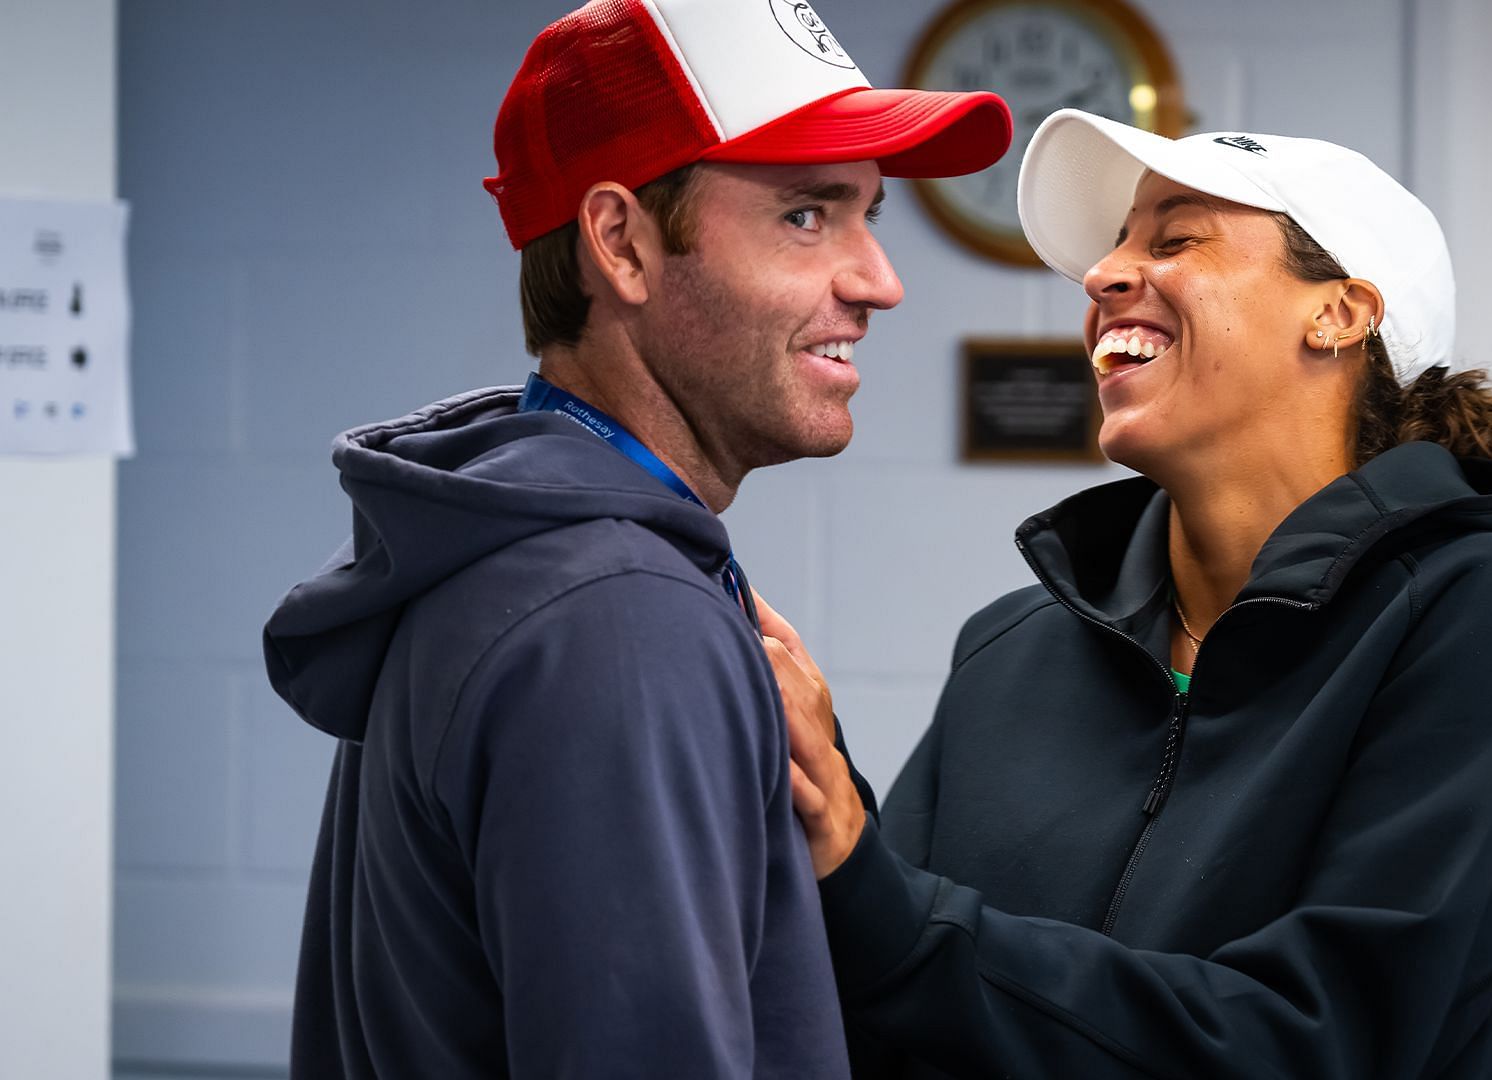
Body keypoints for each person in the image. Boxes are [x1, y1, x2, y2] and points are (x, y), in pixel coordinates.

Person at [762, 110, 1492, 1078]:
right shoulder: (1010, 649)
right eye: (1113, 246)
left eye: (1176, 238)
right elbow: (895, 1009)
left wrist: (875, 895)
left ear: (1340, 314)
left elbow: (1327, 1045)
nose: (1101, 276)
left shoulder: (1477, 620)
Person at [260, 1, 1009, 1075]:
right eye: (807, 216)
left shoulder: (507, 552)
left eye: (869, 217)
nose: (878, 282)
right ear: (621, 243)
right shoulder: (614, 620)